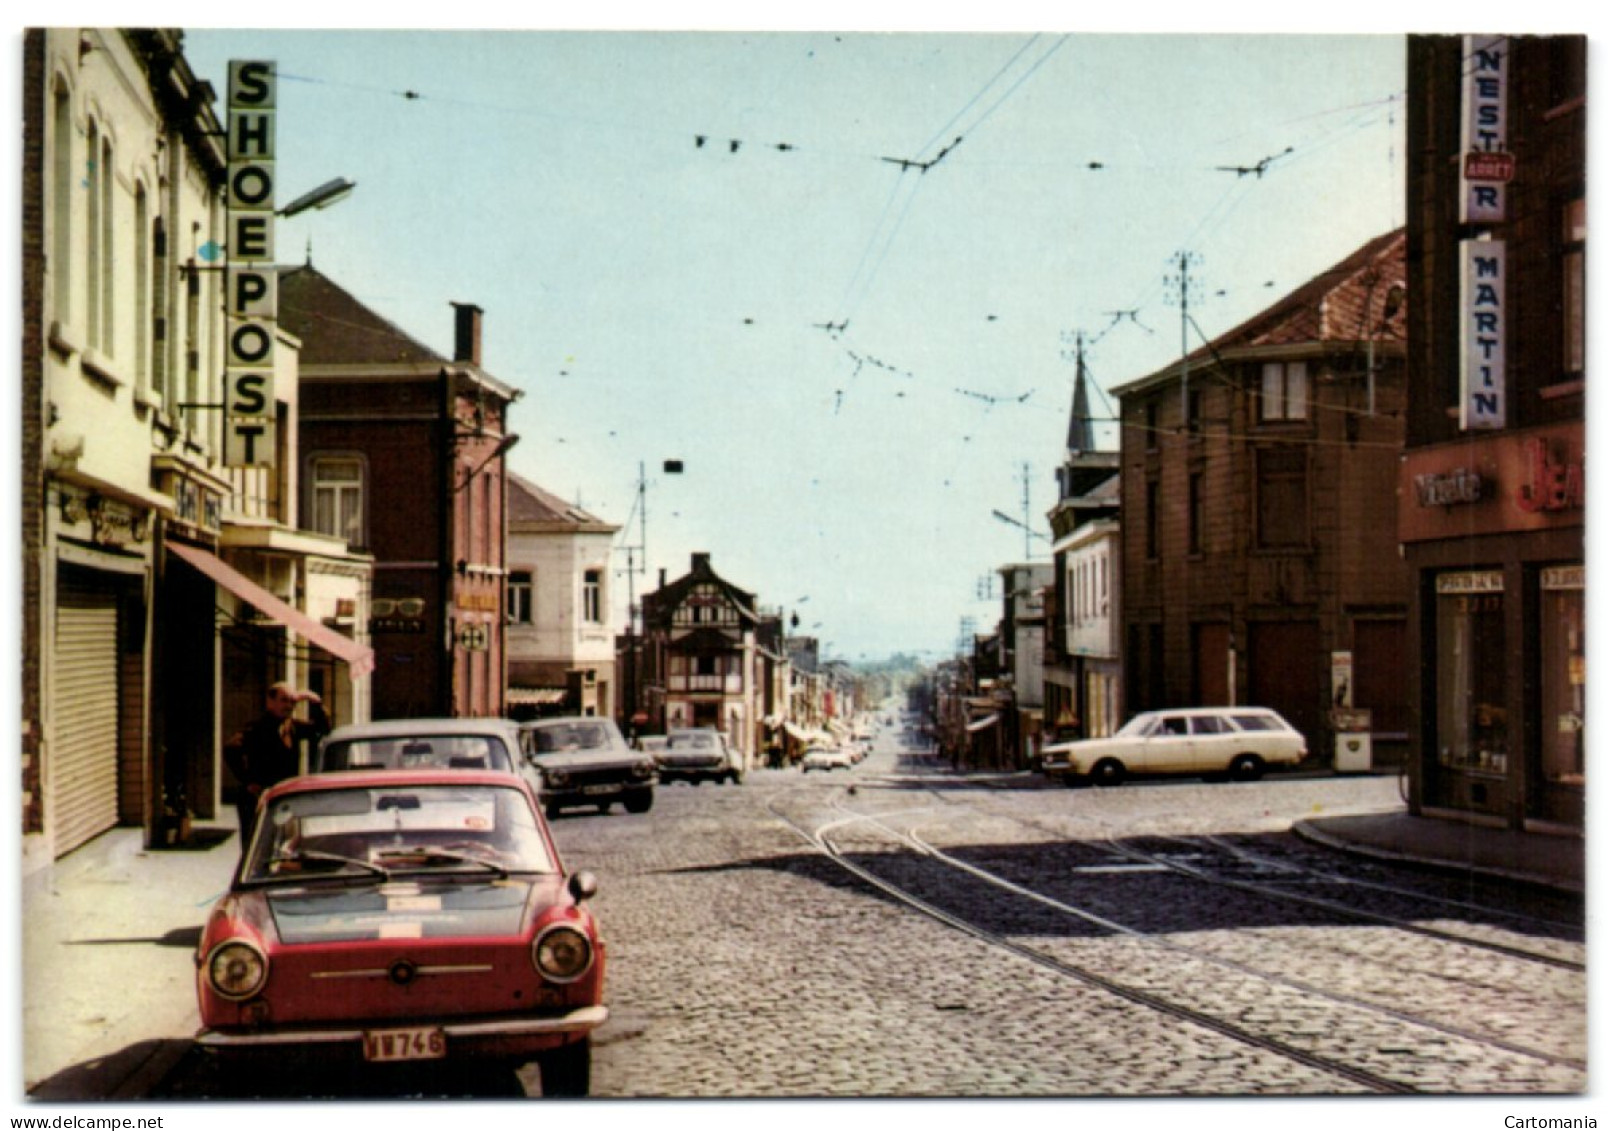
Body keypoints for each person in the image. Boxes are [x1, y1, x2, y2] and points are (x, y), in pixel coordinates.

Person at [224, 682, 330, 850]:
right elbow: (230, 749)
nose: (288, 706)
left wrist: (314, 701)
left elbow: (322, 730)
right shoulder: (257, 729)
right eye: (283, 701)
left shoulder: (293, 727)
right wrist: (247, 780)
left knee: (283, 846)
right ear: (270, 702)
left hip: (283, 796)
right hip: (258, 798)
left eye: (292, 702)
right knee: (255, 847)